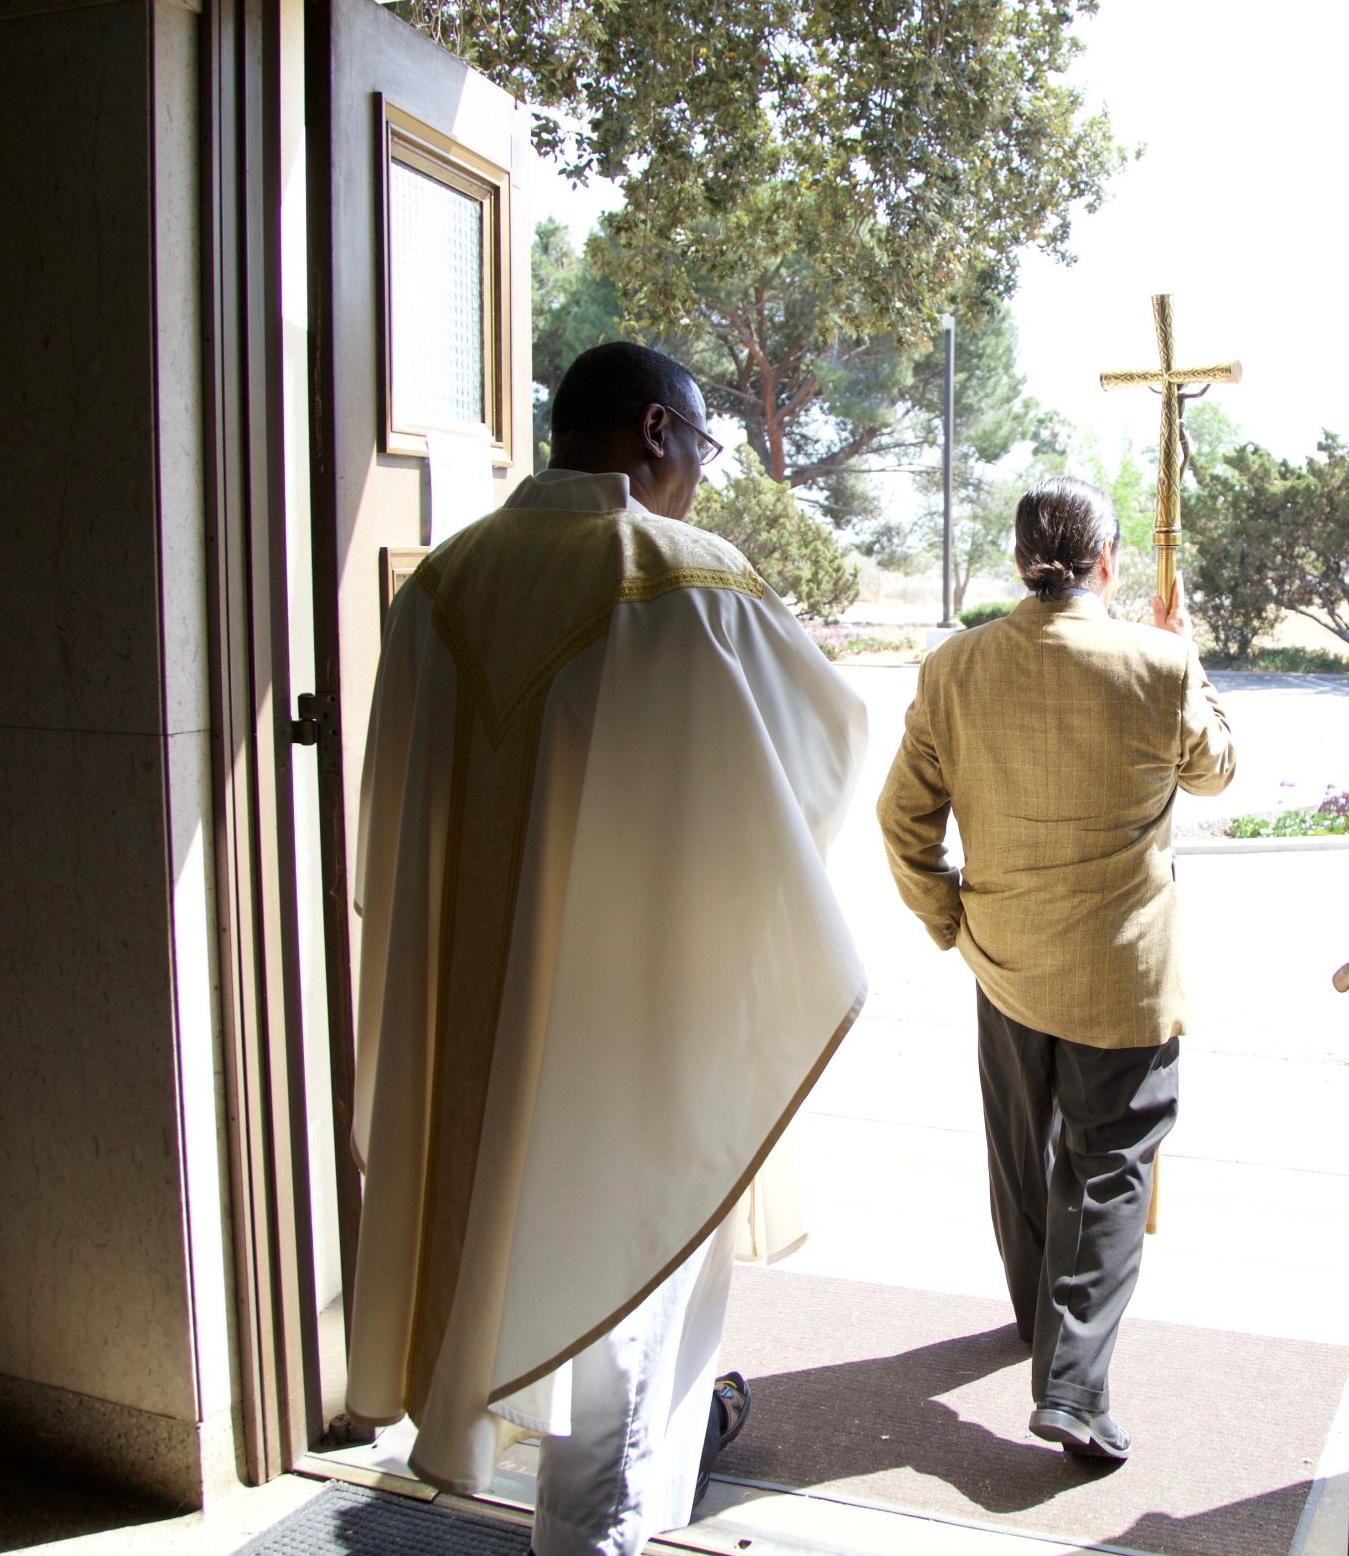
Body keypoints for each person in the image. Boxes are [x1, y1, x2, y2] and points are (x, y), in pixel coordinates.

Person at [344, 343, 869, 1556]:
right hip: (633, 1024)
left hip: (474, 1019)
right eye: (700, 444)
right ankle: (597, 1541)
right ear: (652, 430)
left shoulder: (441, 583)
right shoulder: (684, 578)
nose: (699, 471)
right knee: (628, 1309)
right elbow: (820, 755)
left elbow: (391, 822)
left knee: (514, 1253)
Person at [876, 477, 1236, 1462]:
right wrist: (1191, 659)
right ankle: (1071, 1384)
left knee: (1019, 1152)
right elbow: (1216, 772)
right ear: (1106, 562)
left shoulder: (954, 667)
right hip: (1121, 977)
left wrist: (948, 919)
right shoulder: (1156, 665)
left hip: (1004, 961)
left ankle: (1036, 1322)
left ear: (1020, 560)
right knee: (1109, 1167)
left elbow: (901, 820)